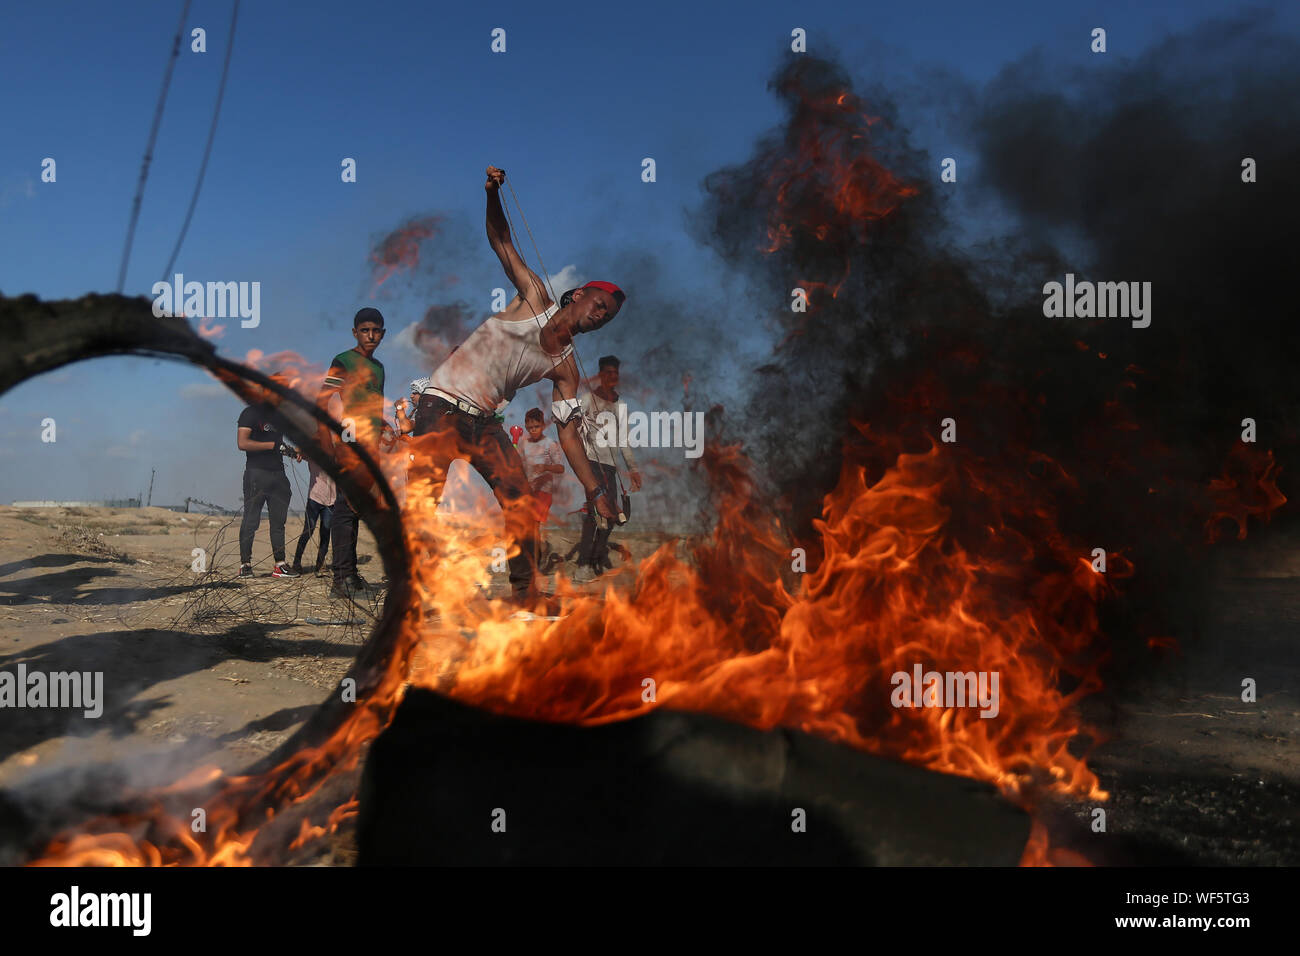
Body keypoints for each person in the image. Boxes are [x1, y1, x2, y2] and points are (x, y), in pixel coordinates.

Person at [409, 164, 623, 608]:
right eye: (599, 304)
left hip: (484, 424)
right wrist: (491, 193)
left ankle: (525, 597)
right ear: (579, 294)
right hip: (440, 407)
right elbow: (501, 241)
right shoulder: (535, 297)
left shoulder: (566, 369)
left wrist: (597, 491)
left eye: (608, 316)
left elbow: (568, 435)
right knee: (423, 501)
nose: (600, 315)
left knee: (521, 502)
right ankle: (407, 593)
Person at [317, 307, 387, 599]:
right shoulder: (343, 361)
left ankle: (350, 575)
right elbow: (322, 400)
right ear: (355, 332)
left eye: (376, 331)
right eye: (365, 330)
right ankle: (341, 580)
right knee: (346, 508)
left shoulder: (380, 367)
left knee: (356, 509)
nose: (371, 336)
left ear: (382, 333)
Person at [573, 355, 643, 582]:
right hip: (590, 463)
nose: (613, 377)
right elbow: (571, 427)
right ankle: (582, 566)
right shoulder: (586, 400)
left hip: (610, 467)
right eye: (608, 373)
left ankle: (594, 559)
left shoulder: (621, 406)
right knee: (595, 514)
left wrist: (633, 468)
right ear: (600, 375)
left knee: (612, 516)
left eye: (616, 373)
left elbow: (624, 440)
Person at [236, 403, 301, 578]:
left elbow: (279, 446)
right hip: (256, 474)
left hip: (278, 475)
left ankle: (280, 565)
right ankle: (245, 565)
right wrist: (272, 445)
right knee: (251, 520)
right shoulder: (250, 412)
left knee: (278, 522)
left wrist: (292, 452)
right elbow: (242, 443)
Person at [290, 458, 335, 576]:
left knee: (325, 533)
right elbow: (300, 452)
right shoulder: (313, 452)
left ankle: (320, 565)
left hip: (331, 500)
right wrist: (297, 453)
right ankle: (296, 563)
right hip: (314, 498)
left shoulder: (335, 453)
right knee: (308, 530)